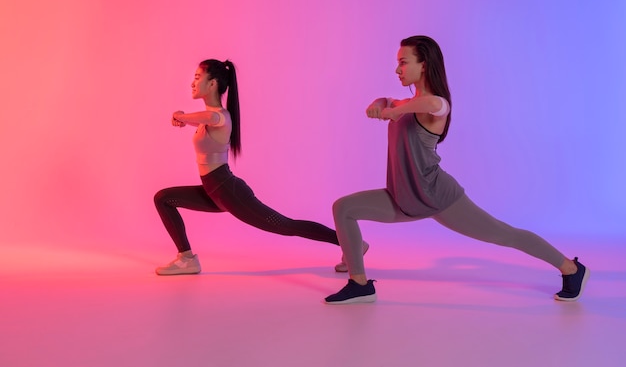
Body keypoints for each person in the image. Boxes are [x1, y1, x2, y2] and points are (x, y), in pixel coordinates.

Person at [324, 36, 589, 304]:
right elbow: (388, 100)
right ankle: (358, 281)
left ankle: (572, 269)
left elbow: (436, 105)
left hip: (438, 196)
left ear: (424, 65)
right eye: (398, 63)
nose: (397, 70)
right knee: (344, 208)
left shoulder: (434, 107)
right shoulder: (404, 104)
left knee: (503, 234)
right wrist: (381, 102)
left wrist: (395, 110)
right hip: (403, 197)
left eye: (403, 62)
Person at [154, 59, 354, 275]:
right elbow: (201, 119)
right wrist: (184, 118)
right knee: (163, 198)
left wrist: (180, 116)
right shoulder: (206, 119)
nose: (192, 83)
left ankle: (351, 244)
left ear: (212, 84)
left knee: (285, 226)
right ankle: (186, 259)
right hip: (213, 192)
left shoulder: (220, 117)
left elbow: (210, 117)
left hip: (228, 192)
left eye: (197, 77)